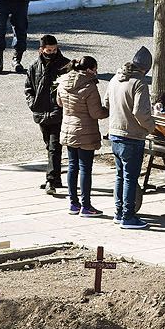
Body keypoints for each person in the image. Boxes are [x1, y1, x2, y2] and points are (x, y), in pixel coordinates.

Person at [106, 46, 154, 229]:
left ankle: (118, 213)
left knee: (120, 176)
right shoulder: (139, 83)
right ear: (146, 68)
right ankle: (128, 217)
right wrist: (151, 127)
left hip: (115, 135)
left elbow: (106, 104)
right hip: (132, 137)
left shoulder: (115, 79)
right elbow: (140, 113)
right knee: (130, 178)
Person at [57, 56, 108, 216]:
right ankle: (86, 205)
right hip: (85, 131)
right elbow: (96, 113)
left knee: (72, 167)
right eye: (95, 69)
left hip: (68, 128)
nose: (96, 72)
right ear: (89, 69)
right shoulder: (89, 86)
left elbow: (59, 103)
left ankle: (73, 204)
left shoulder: (63, 81)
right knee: (85, 168)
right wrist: (109, 109)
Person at [24, 34, 69, 195]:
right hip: (41, 112)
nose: (52, 52)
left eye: (54, 49)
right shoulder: (34, 67)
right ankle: (56, 177)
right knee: (49, 146)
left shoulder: (65, 65)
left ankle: (51, 180)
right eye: (48, 50)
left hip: (58, 112)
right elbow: (28, 88)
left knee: (54, 146)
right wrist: (33, 104)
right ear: (41, 50)